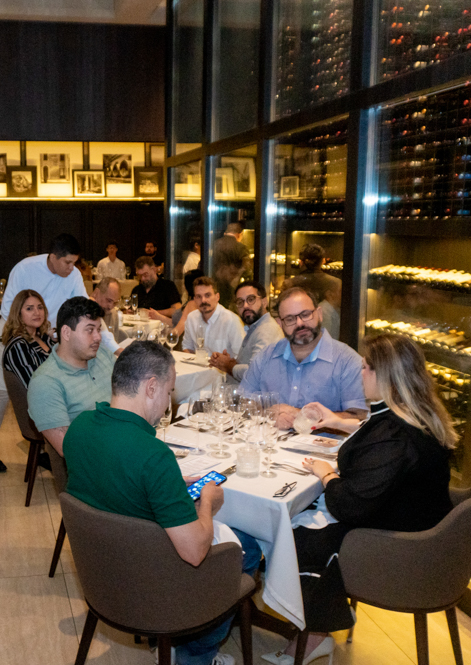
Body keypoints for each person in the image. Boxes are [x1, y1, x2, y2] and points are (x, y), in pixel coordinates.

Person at [262, 334, 457, 664]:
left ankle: (317, 632)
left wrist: (327, 475)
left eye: (366, 367)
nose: (360, 372)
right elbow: (375, 432)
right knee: (300, 518)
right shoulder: (415, 414)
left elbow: (347, 505)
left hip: (398, 548)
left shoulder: (395, 437)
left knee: (293, 535)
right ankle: (321, 618)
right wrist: (338, 421)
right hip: (415, 523)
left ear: (387, 377)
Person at [63, 341, 261, 665]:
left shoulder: (79, 428)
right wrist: (208, 502)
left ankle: (169, 645)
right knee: (249, 548)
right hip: (153, 584)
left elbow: (112, 480)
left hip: (102, 574)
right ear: (151, 387)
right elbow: (194, 552)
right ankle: (194, 655)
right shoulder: (153, 455)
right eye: (169, 392)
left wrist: (168, 484)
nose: (168, 403)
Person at [0, 234, 88, 472]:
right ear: (54, 257)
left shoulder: (74, 275)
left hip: (43, 333)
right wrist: (30, 334)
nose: (72, 268)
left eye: (74, 263)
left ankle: (44, 449)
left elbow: (81, 307)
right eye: (68, 262)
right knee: (3, 391)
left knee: (45, 385)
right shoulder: (25, 268)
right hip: (12, 331)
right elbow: (9, 308)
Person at [240, 287, 366, 429]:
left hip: (326, 443)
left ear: (319, 314)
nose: (300, 323)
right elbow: (243, 402)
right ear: (280, 324)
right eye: (290, 319)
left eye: (306, 315)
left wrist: (302, 415)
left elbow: (361, 418)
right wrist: (267, 415)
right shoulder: (266, 357)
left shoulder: (348, 361)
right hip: (271, 441)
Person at [28, 297, 115, 457]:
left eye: (98, 329)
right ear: (66, 333)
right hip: (102, 460)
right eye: (90, 330)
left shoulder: (102, 354)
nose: (98, 337)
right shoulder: (45, 383)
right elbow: (68, 448)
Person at [209, 281, 284, 383]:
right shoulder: (256, 327)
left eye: (251, 299)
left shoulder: (267, 330)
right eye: (240, 302)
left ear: (264, 302)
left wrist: (229, 366)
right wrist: (229, 362)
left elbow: (256, 373)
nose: (245, 305)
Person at [181, 276, 245, 357]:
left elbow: (241, 356)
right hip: (198, 364)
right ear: (194, 299)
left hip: (224, 366)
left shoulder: (231, 321)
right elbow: (187, 347)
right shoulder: (191, 318)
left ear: (217, 297)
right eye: (199, 296)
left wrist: (227, 363)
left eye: (207, 295)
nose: (203, 300)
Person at [2, 290, 53, 387]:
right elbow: (35, 384)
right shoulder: (18, 346)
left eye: (40, 307)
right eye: (29, 309)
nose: (37, 313)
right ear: (18, 314)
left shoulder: (44, 337)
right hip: (47, 394)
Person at [213, 222, 252, 314]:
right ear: (239, 234)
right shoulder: (241, 247)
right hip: (232, 288)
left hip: (214, 286)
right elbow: (247, 269)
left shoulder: (213, 245)